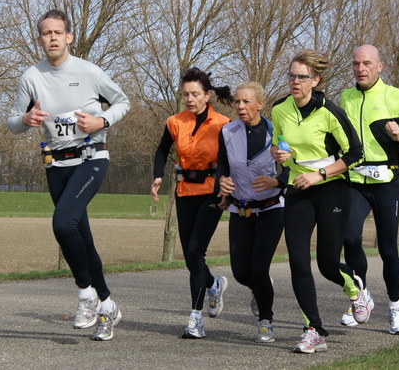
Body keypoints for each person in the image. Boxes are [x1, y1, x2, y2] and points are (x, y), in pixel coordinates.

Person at [7, 9, 130, 341]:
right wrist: (26, 120)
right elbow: (13, 121)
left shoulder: (88, 72)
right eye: (46, 33)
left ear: (69, 37)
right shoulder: (31, 77)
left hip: (91, 157)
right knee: (79, 237)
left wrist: (101, 121)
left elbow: (123, 102)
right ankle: (107, 306)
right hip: (55, 164)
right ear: (39, 40)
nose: (52, 38)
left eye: (58, 32)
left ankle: (85, 294)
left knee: (62, 224)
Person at [271, 49, 370, 354]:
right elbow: (278, 146)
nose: (294, 82)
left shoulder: (330, 111)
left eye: (301, 77)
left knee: (327, 264)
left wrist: (319, 174)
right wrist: (279, 154)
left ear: (315, 80)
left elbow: (355, 154)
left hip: (331, 188)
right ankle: (313, 330)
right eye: (291, 75)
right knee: (298, 262)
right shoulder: (279, 109)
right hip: (298, 188)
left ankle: (355, 288)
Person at [339, 44, 399, 335]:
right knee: (349, 237)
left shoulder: (397, 97)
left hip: (387, 183)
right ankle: (362, 299)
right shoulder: (345, 98)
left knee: (388, 250)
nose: (361, 68)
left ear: (379, 67)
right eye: (356, 64)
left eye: (367, 63)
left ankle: (395, 309)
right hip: (355, 181)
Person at [150, 67, 233, 339]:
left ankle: (195, 319)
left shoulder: (223, 123)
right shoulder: (175, 121)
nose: (189, 99)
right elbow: (162, 149)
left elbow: (231, 160)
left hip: (212, 192)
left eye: (195, 94)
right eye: (185, 94)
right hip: (184, 192)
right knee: (190, 258)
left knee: (196, 252)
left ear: (207, 95)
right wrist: (157, 176)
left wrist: (227, 189)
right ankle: (213, 284)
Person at [216, 82, 287, 343]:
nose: (240, 106)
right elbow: (222, 164)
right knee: (240, 272)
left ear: (260, 104)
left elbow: (294, 166)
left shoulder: (276, 133)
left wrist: (277, 181)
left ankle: (266, 320)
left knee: (258, 267)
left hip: (270, 209)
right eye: (237, 101)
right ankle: (261, 290)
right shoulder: (227, 131)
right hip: (240, 209)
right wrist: (221, 184)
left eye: (246, 102)